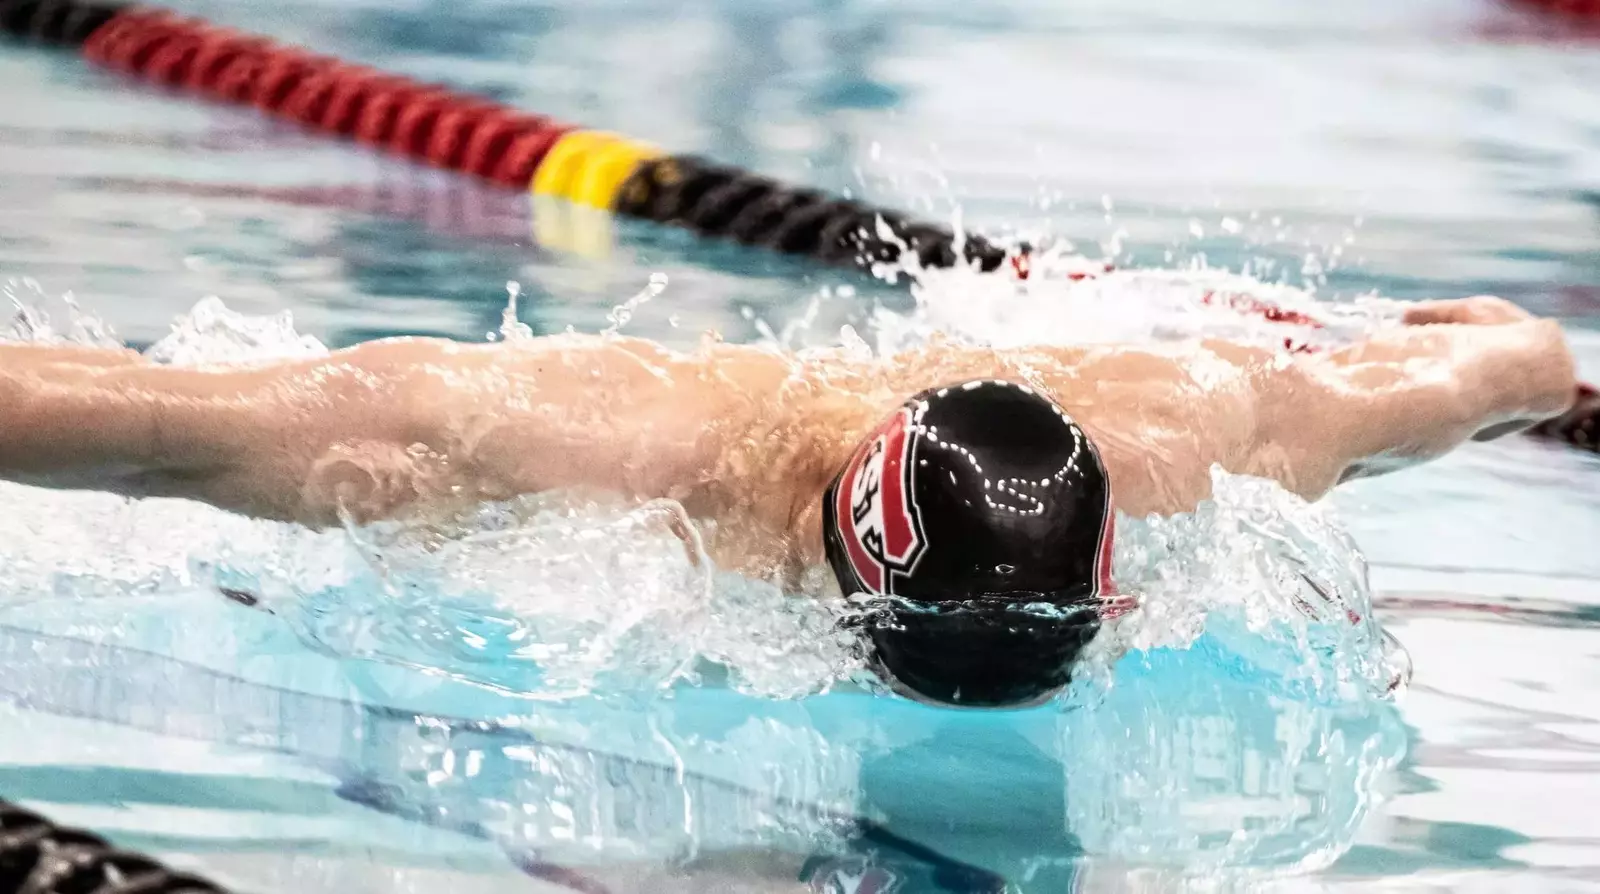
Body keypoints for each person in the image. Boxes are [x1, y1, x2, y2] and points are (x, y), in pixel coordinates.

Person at [0, 294, 1579, 707]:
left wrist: (1509, 349)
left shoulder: (1184, 440)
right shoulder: (556, 444)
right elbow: (155, 424)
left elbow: (1494, 371)